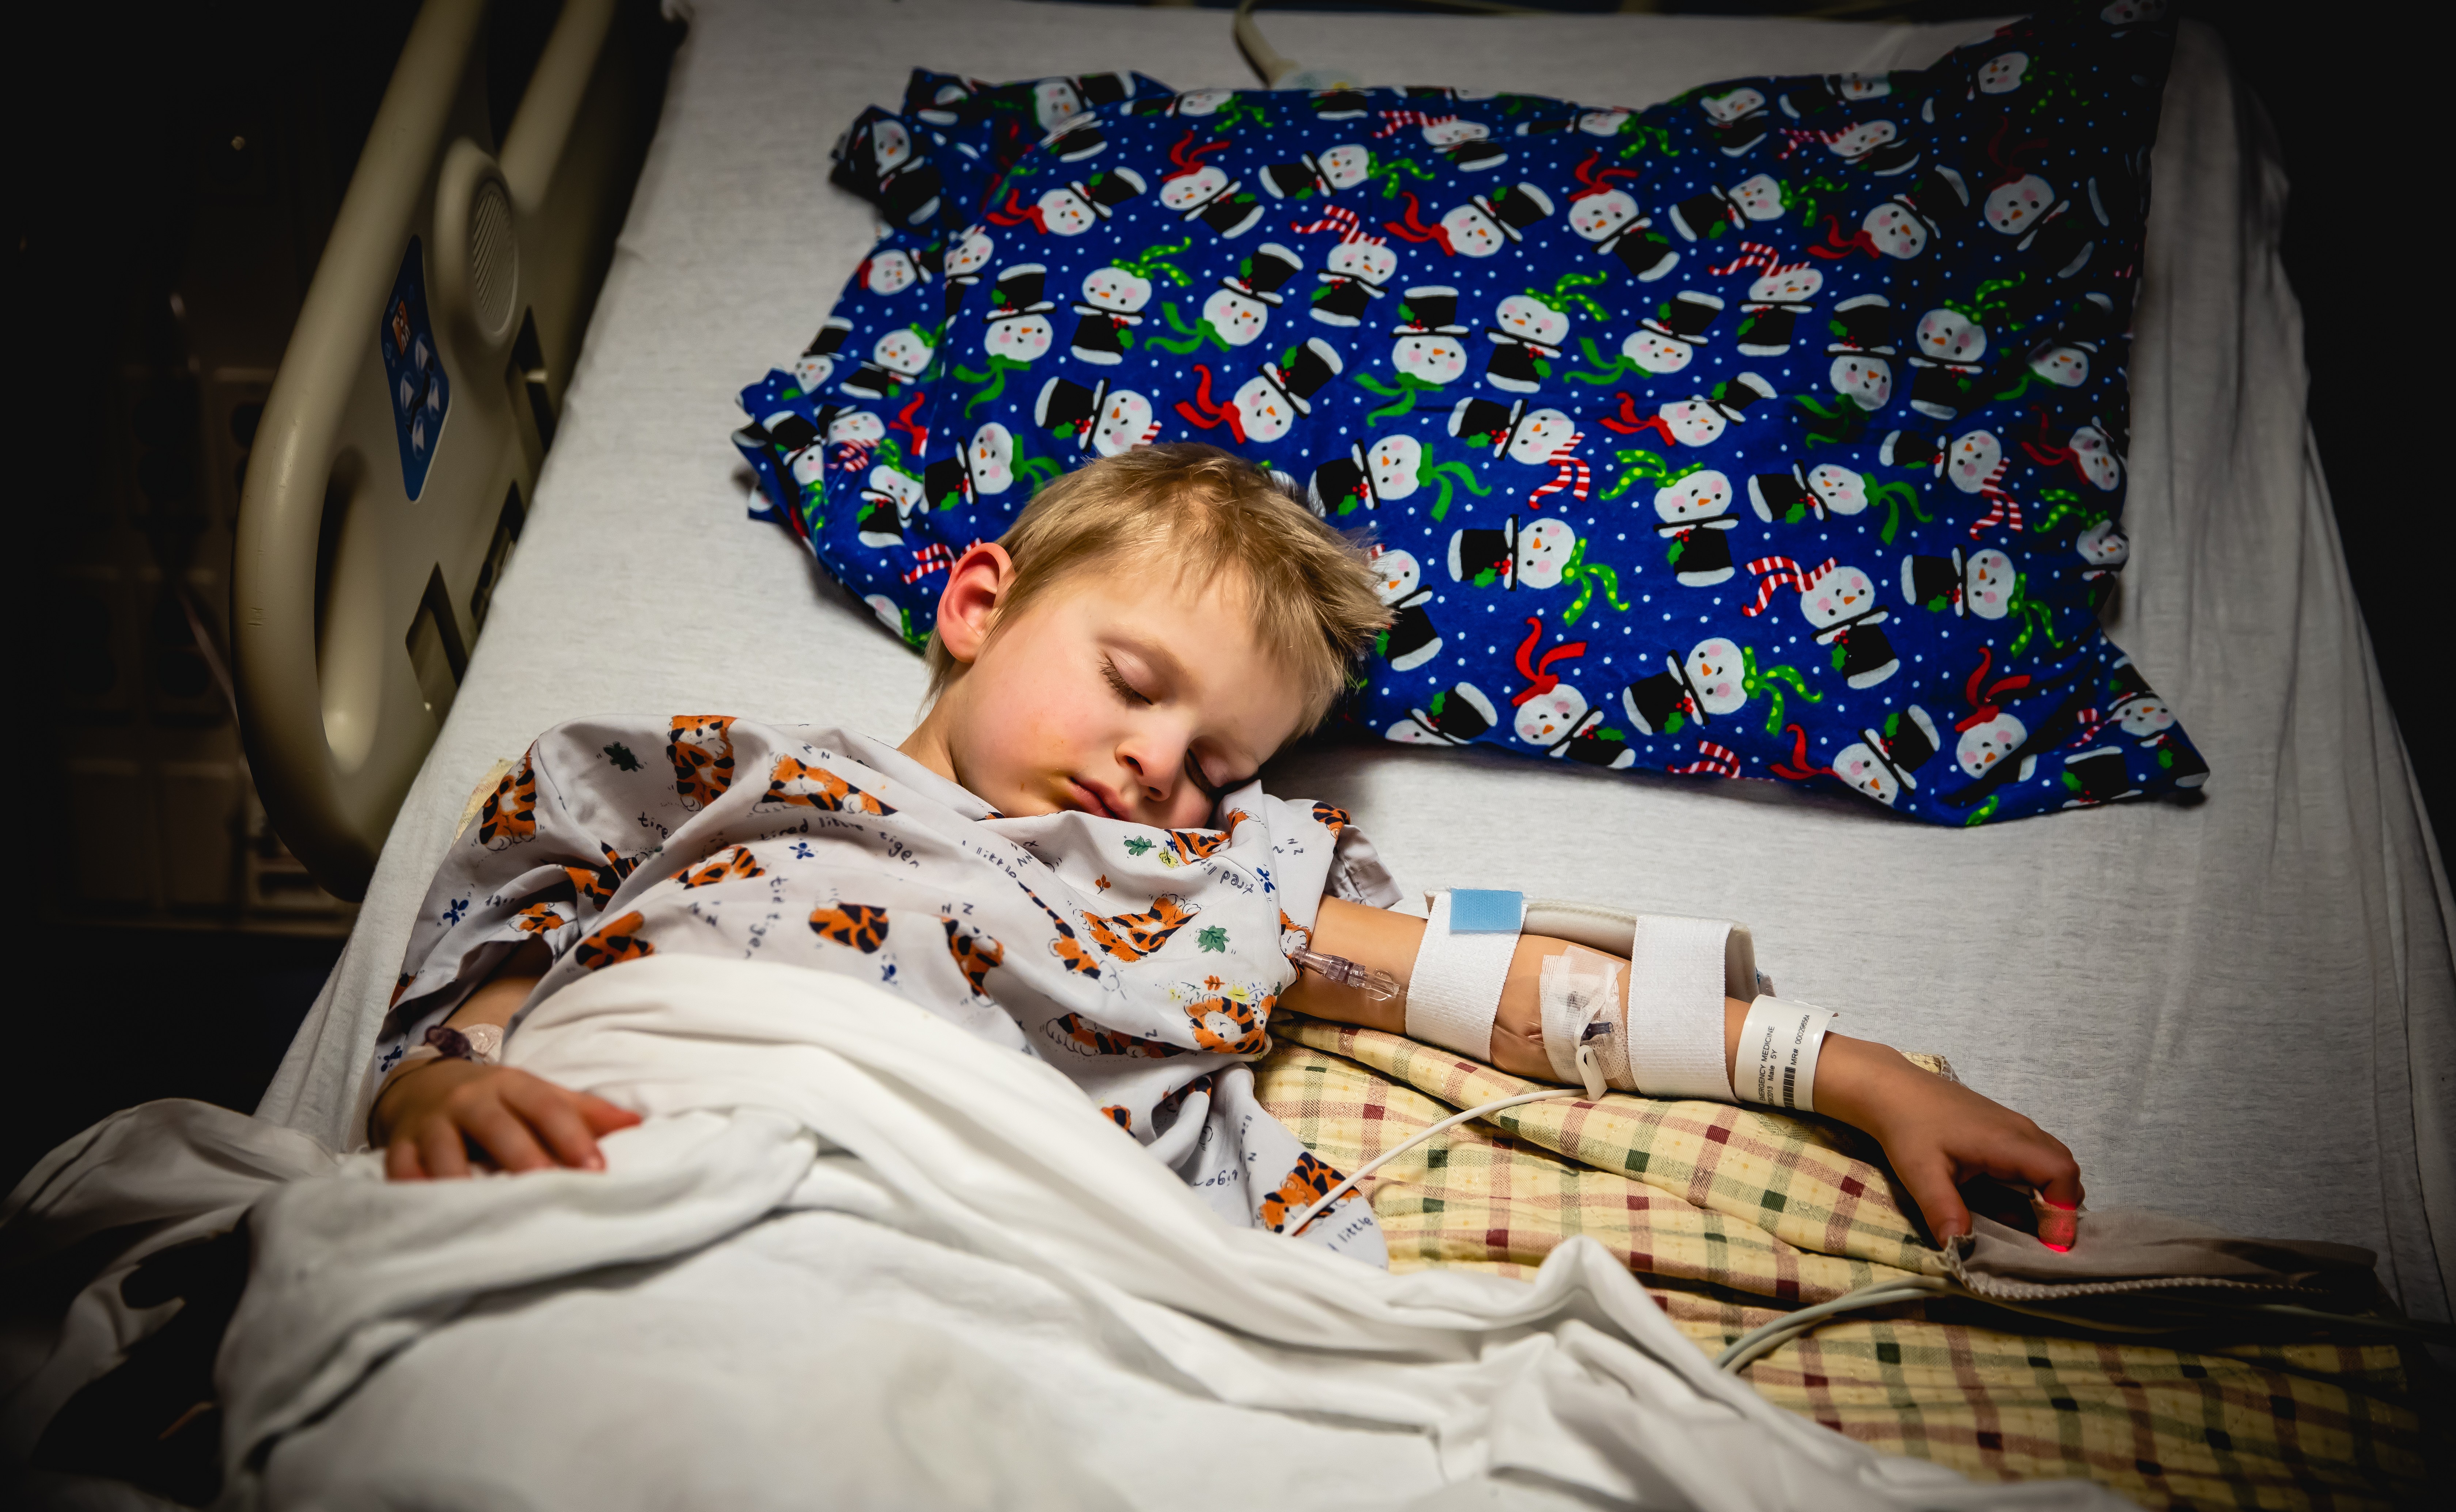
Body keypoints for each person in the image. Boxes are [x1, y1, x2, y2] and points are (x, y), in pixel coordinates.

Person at [369, 442, 2080, 1251]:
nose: (1155, 770)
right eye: (1132, 685)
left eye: (1218, 762)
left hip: (959, 1231)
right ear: (979, 606)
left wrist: (1847, 1071)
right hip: (626, 1126)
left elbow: (1511, 993)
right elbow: (520, 894)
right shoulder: (710, 774)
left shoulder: (1225, 885)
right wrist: (443, 1071)